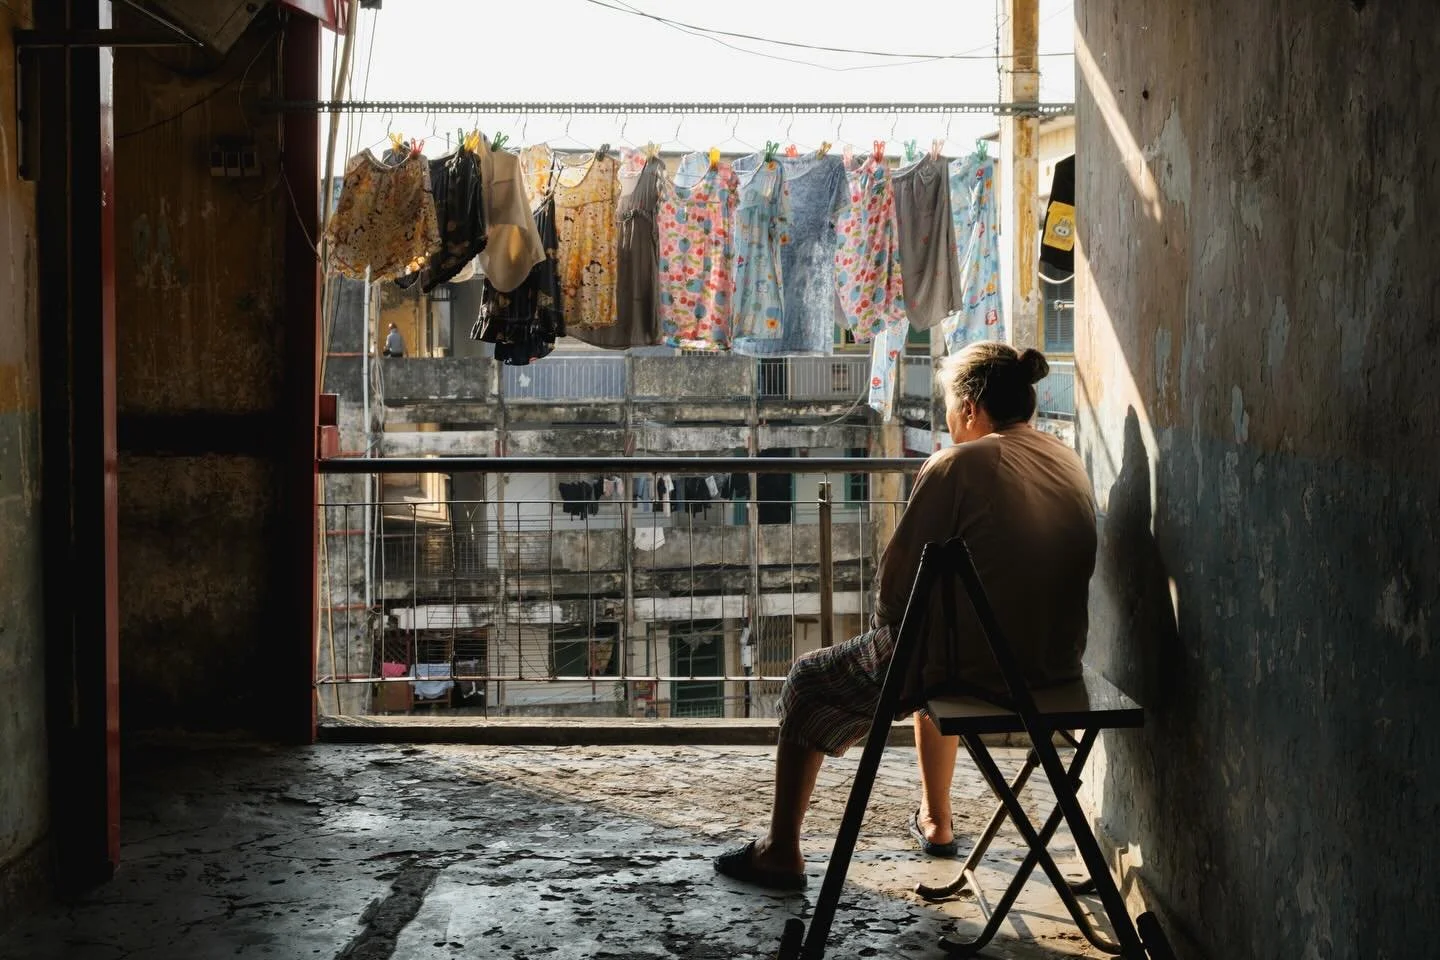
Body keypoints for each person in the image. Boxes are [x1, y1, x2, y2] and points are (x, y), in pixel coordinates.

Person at [713, 341, 1097, 890]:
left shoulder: (960, 463)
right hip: (1055, 672)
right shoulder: (1065, 457)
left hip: (980, 674)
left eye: (947, 404)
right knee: (931, 665)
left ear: (968, 407)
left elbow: (897, 596)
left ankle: (780, 851)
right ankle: (936, 821)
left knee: (807, 681)